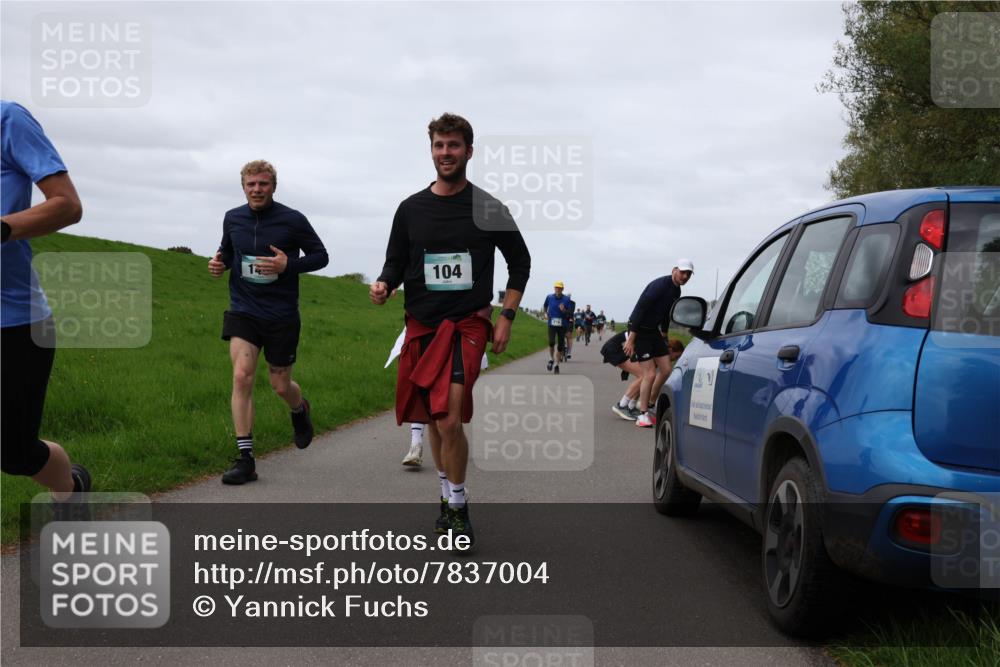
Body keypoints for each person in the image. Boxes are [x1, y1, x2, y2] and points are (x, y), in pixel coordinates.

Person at [371, 112, 530, 547]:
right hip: (422, 324)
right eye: (439, 146)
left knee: (450, 415)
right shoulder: (410, 209)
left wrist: (507, 316)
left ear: (469, 152)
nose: (446, 153)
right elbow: (396, 261)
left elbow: (520, 263)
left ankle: (458, 509)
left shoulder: (488, 208)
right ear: (432, 150)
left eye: (454, 146)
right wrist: (386, 283)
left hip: (467, 325)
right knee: (435, 420)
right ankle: (447, 498)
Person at [208, 160, 329, 484]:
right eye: (251, 184)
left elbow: (321, 256)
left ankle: (299, 409)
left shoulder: (292, 220)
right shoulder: (232, 218)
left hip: (281, 315)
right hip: (244, 310)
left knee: (279, 385)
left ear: (273, 186)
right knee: (242, 376)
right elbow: (227, 253)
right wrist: (219, 264)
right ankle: (245, 459)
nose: (257, 190)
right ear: (243, 187)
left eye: (263, 184)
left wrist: (287, 265)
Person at [0, 101, 91, 510]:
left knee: (13, 453)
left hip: (15, 321)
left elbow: (67, 205)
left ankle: (70, 490)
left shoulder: (9, 119)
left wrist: (3, 228)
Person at [385, 325, 489, 467]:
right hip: (423, 329)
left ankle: (452, 440)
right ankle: (416, 445)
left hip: (455, 332)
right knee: (419, 389)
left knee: (450, 406)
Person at [624, 260, 693, 427]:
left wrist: (664, 336)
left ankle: (649, 405)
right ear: (674, 270)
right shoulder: (659, 286)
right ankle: (642, 415)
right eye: (682, 272)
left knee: (666, 369)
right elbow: (640, 309)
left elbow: (665, 315)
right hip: (639, 331)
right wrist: (632, 339)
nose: (685, 276)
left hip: (654, 332)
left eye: (688, 274)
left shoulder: (677, 290)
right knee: (649, 374)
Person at [605, 336, 684, 420]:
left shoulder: (660, 351)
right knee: (646, 376)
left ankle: (630, 406)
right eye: (676, 357)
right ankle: (622, 405)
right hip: (615, 348)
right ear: (671, 350)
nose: (674, 360)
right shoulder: (659, 351)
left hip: (618, 347)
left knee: (646, 378)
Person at [542, 281, 571, 374]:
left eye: (559, 288)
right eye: (556, 288)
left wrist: (564, 310)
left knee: (560, 346)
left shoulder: (566, 299)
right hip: (551, 324)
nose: (557, 289)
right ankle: (551, 359)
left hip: (562, 325)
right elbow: (545, 306)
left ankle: (557, 365)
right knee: (551, 342)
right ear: (554, 288)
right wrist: (545, 313)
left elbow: (570, 314)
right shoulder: (549, 297)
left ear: (562, 289)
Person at [563, 293, 576, 361]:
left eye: (569, 297)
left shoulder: (572, 303)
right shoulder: (561, 302)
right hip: (561, 320)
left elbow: (570, 312)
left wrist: (563, 310)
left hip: (569, 321)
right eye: (567, 297)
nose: (568, 298)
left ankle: (569, 352)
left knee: (569, 336)